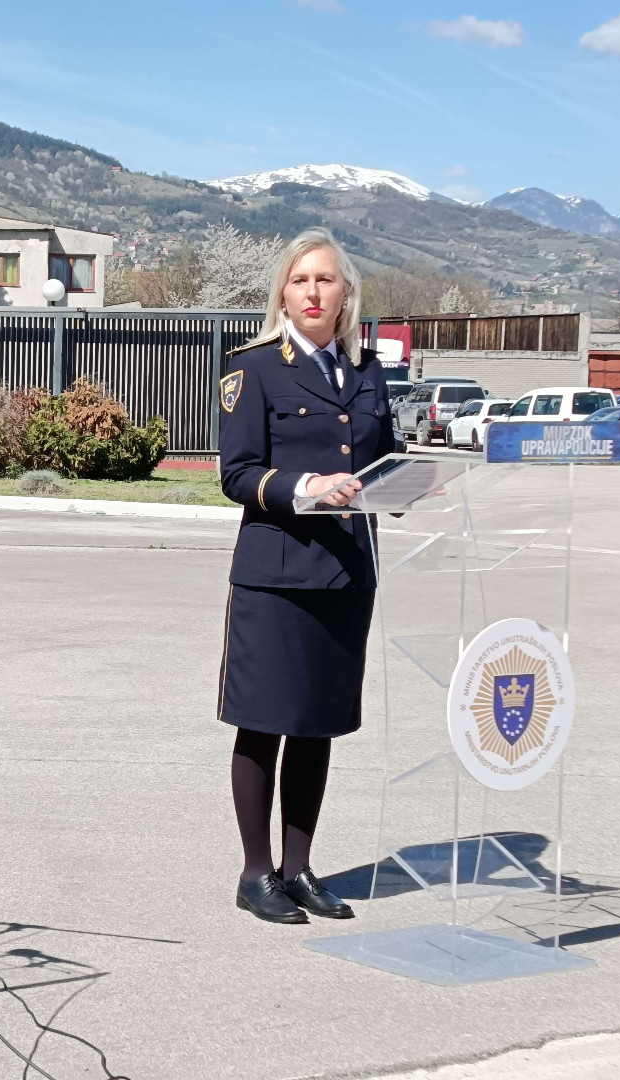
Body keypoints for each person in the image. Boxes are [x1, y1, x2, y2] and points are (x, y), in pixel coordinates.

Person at [215, 228, 393, 924]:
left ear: (346, 293)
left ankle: (299, 868)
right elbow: (238, 475)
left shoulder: (367, 372)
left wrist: (409, 485)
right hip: (278, 574)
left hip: (347, 574)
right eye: (300, 280)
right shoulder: (253, 369)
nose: (313, 292)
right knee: (265, 722)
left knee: (317, 724)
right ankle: (256, 873)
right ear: (283, 295)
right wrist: (307, 486)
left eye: (325, 279)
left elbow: (381, 459)